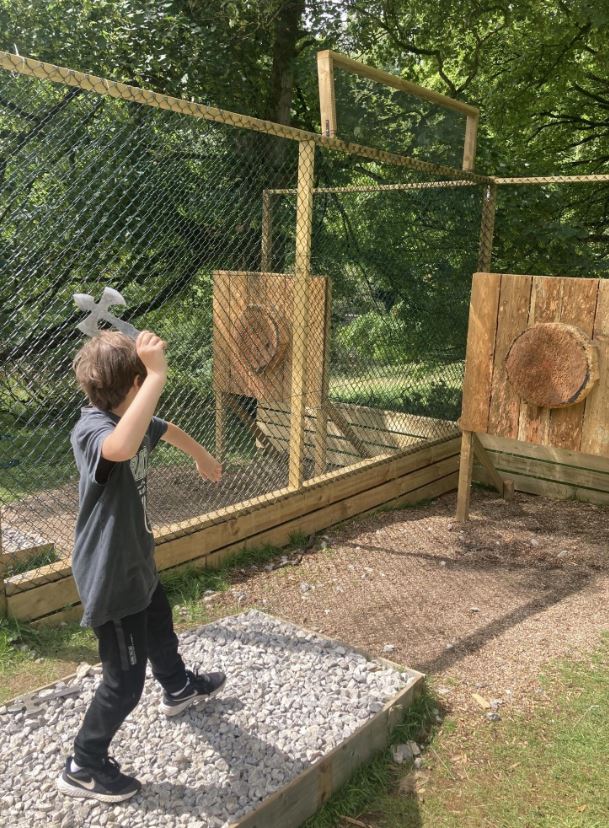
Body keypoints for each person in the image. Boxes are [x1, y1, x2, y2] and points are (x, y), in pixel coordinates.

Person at [57, 329, 225, 803]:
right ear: (134, 383)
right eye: (144, 383)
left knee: (160, 625)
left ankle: (176, 687)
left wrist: (204, 458)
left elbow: (164, 428)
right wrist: (157, 373)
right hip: (110, 577)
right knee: (123, 684)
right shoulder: (94, 430)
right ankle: (83, 766)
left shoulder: (128, 414)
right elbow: (121, 449)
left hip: (136, 560)